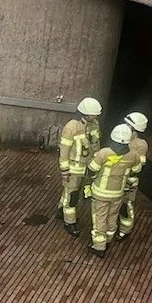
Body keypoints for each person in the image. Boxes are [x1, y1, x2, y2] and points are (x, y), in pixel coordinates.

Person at [85, 123, 138, 256]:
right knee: (112, 216)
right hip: (118, 193)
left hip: (100, 193)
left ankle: (99, 247)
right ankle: (108, 239)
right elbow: (136, 171)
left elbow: (92, 169)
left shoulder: (104, 153)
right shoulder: (133, 155)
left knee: (99, 219)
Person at [58, 97, 103, 235]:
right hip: (73, 168)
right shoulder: (72, 127)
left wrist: (95, 164)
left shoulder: (94, 124)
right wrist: (64, 170)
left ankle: (61, 211)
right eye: (93, 114)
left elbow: (96, 145)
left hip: (87, 166)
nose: (95, 116)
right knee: (72, 195)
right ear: (85, 113)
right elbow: (64, 149)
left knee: (69, 193)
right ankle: (69, 222)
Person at [111, 112, 151, 242]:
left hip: (129, 180)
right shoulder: (123, 135)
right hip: (117, 176)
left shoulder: (141, 145)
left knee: (126, 205)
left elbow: (138, 166)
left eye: (128, 124)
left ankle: (124, 230)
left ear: (135, 129)